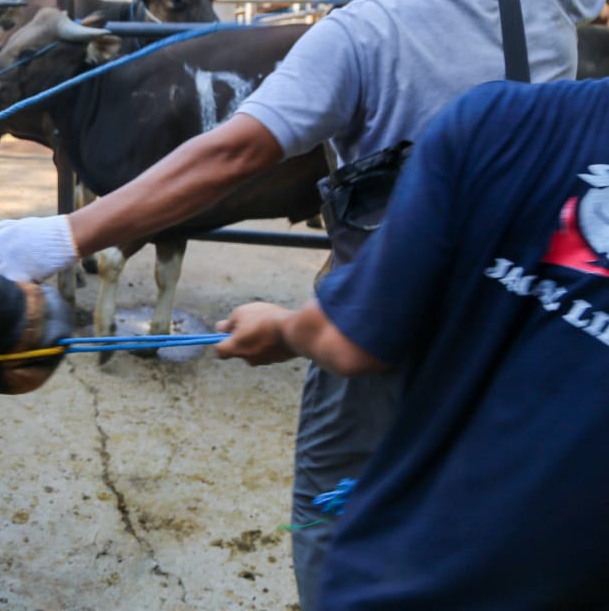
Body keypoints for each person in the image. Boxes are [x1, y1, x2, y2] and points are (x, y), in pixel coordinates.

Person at [0, 0, 609, 608]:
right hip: (531, 302)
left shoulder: (351, 34)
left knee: (331, 496)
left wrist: (63, 234)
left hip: (385, 305)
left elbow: (231, 154)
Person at [215, 76, 609, 609]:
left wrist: (283, 328)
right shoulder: (543, 37)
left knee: (326, 494)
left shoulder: (501, 117)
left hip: (424, 572)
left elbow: (351, 340)